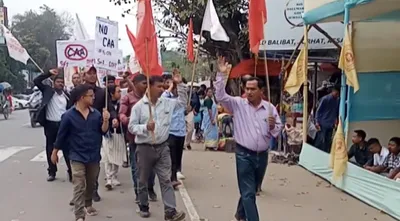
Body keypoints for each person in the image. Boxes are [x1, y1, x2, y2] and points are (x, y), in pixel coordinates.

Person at [215, 57, 282, 221]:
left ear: (261, 91)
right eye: (247, 89)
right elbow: (221, 96)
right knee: (248, 192)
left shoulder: (270, 108)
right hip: (244, 154)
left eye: (253, 89)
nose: (249, 92)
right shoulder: (238, 104)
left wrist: (273, 126)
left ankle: (240, 213)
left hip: (262, 156)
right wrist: (222, 76)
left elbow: (278, 129)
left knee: (252, 189)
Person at [128, 74, 187, 220]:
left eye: (163, 86)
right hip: (144, 148)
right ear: (149, 87)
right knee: (142, 179)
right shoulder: (139, 107)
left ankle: (170, 212)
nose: (162, 89)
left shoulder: (167, 103)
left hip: (162, 147)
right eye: (158, 86)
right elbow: (131, 127)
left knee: (166, 180)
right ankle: (143, 206)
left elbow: (182, 103)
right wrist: (145, 127)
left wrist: (180, 86)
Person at [51, 84, 110, 221]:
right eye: (90, 95)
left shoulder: (96, 114)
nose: (93, 97)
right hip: (76, 155)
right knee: (78, 185)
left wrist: (105, 121)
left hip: (93, 155)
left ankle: (88, 203)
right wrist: (55, 152)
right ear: (82, 97)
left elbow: (103, 131)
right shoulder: (68, 116)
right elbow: (61, 136)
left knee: (91, 183)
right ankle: (79, 215)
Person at [119, 74, 157, 202]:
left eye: (148, 84)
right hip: (134, 138)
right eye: (144, 84)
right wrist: (128, 120)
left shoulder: (153, 99)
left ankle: (150, 188)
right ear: (135, 84)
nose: (147, 86)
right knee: (136, 168)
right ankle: (139, 194)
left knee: (151, 169)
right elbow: (122, 114)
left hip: (152, 139)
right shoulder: (127, 98)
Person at [84, 66, 117, 202]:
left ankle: (94, 188)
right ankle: (81, 191)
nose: (92, 76)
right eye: (89, 73)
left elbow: (110, 107)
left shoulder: (102, 93)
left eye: (94, 73)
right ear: (84, 75)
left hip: (96, 130)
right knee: (79, 164)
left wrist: (113, 117)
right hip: (79, 131)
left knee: (94, 161)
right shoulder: (78, 91)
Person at [33, 69, 72, 182]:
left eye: (62, 82)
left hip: (63, 126)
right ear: (53, 83)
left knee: (67, 150)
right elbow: (37, 80)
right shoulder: (47, 91)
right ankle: (52, 172)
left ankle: (71, 171)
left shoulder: (66, 95)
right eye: (58, 82)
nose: (60, 84)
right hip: (50, 125)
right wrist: (49, 73)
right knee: (50, 149)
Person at [163, 81, 186, 188]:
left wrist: (179, 84)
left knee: (178, 155)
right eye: (175, 88)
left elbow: (183, 97)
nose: (176, 90)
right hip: (171, 131)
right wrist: (171, 86)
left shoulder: (180, 101)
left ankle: (175, 174)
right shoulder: (167, 100)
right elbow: (163, 97)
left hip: (181, 132)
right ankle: (172, 178)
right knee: (171, 156)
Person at [103, 85, 126, 190]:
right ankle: (108, 178)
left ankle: (114, 175)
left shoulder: (122, 104)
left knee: (117, 155)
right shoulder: (105, 105)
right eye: (118, 92)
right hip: (108, 134)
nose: (120, 94)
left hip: (119, 133)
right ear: (112, 93)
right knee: (108, 156)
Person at [314, 85, 340, 153]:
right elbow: (318, 111)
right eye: (336, 93)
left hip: (331, 123)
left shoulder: (337, 100)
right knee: (321, 140)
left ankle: (326, 153)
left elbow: (336, 111)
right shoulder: (325, 99)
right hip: (323, 122)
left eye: (338, 94)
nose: (337, 95)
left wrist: (336, 120)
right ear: (333, 91)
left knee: (328, 141)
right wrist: (317, 121)